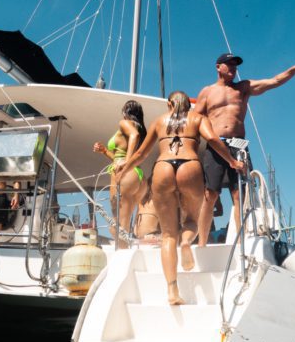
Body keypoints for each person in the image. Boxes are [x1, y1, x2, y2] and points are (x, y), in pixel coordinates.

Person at [117, 90, 244, 305]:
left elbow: (141, 154)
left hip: (163, 167)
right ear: (188, 105)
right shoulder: (197, 118)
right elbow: (212, 138)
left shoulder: (159, 121)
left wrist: (123, 170)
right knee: (193, 220)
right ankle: (186, 242)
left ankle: (172, 292)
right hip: (189, 165)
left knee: (167, 235)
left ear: (169, 104)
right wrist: (232, 161)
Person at [193, 53, 295, 246]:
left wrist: (293, 69)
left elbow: (274, 81)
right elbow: (195, 119)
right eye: (229, 64)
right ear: (218, 67)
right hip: (216, 145)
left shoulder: (243, 87)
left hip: (238, 144)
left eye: (235, 65)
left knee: (239, 196)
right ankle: (201, 243)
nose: (233, 68)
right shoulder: (207, 92)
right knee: (210, 195)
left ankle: (241, 244)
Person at [93, 100, 148, 247]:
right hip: (138, 176)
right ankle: (125, 253)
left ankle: (122, 258)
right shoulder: (142, 128)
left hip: (126, 174)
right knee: (123, 225)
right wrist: (105, 151)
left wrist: (127, 162)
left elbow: (134, 135)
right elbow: (119, 156)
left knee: (116, 227)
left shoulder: (125, 124)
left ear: (125, 112)